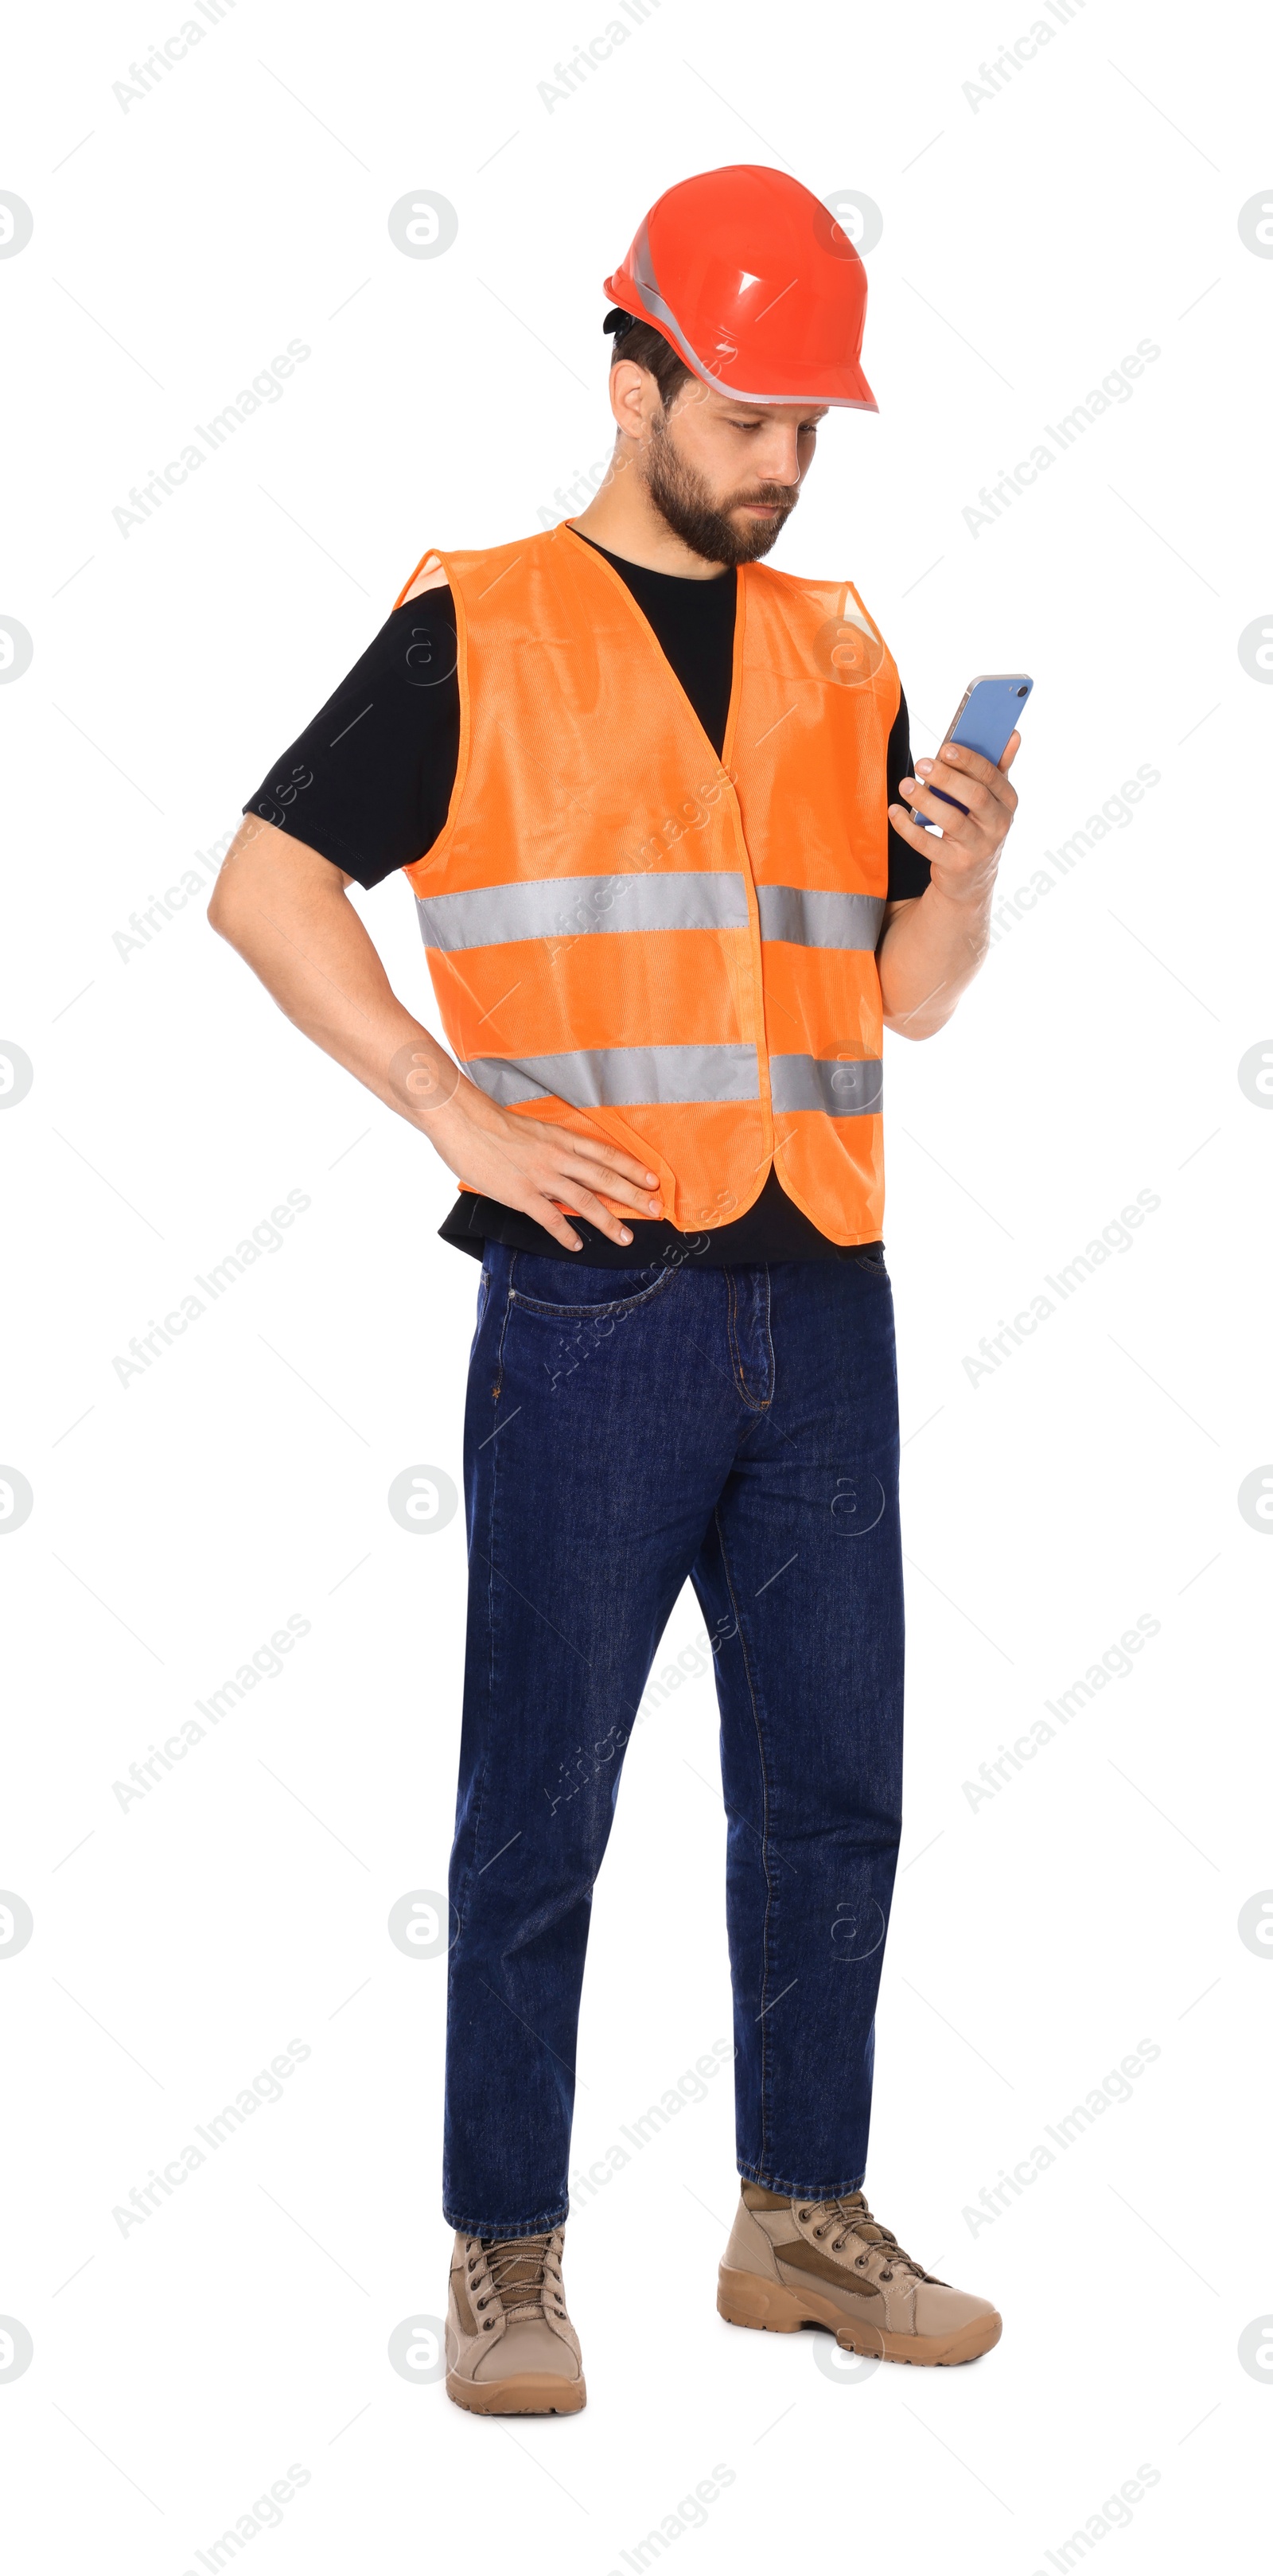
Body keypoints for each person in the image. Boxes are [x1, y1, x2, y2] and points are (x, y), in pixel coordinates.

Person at [210, 163, 1020, 2415]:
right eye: (749, 419)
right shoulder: (483, 621)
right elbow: (267, 880)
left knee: (834, 1786)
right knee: (541, 1799)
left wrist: (962, 877)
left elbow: (908, 996)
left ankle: (799, 2221)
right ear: (633, 374)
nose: (781, 467)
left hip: (824, 1291)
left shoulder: (844, 642)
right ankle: (506, 2252)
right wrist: (446, 1108)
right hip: (598, 1312)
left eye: (810, 436)